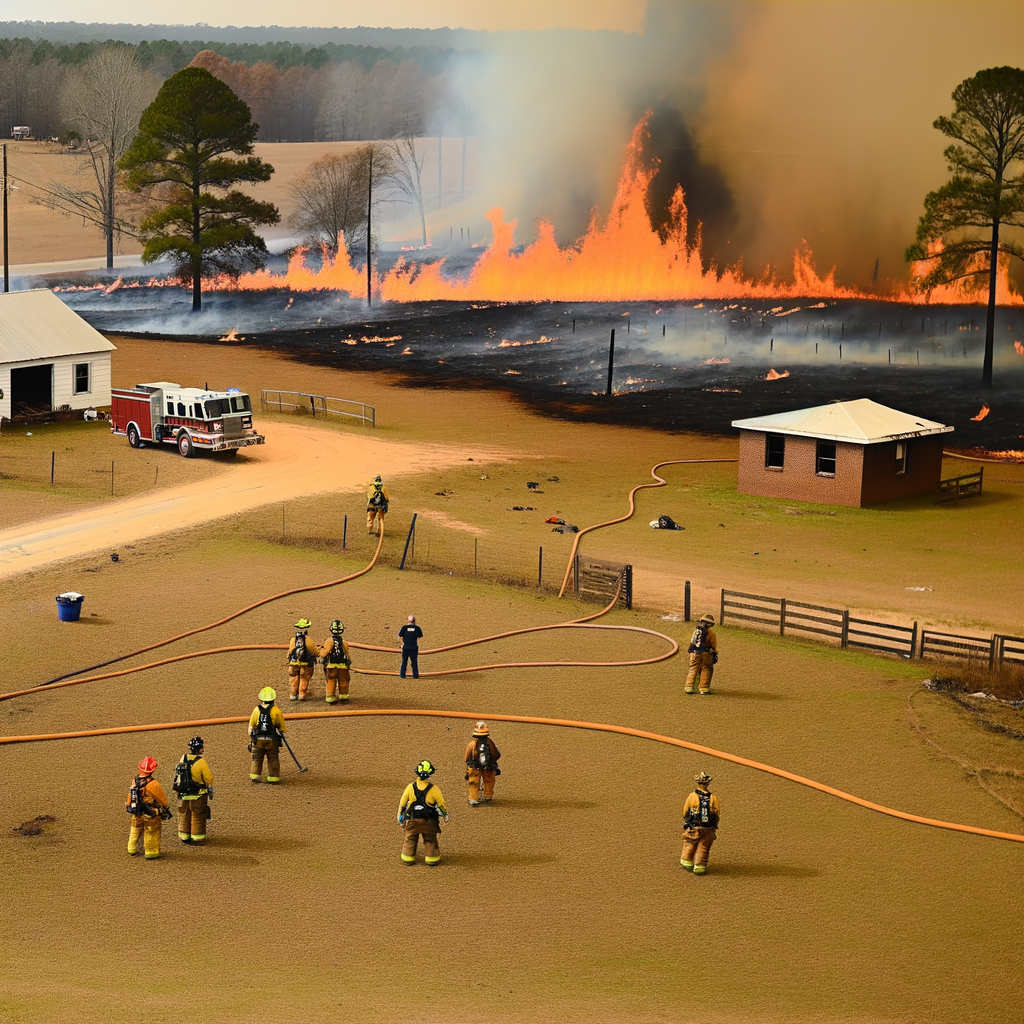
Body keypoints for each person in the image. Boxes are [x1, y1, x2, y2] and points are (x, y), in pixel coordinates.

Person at [397, 760, 449, 866]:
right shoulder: (434, 789)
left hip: (412, 821)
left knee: (410, 838)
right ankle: (432, 858)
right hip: (429, 822)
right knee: (430, 839)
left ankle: (408, 857)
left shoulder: (410, 787)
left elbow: (402, 804)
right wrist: (445, 815)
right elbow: (441, 805)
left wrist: (400, 818)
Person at [126, 756, 171, 860]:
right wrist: (165, 807)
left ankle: (131, 848)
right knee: (151, 831)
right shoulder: (153, 784)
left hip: (136, 811)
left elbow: (129, 799)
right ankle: (151, 852)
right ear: (153, 770)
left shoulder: (135, 781)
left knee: (135, 829)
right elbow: (161, 798)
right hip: (150, 813)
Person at [173, 736, 213, 844]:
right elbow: (208, 778)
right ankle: (197, 837)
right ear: (199, 749)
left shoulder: (183, 757)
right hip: (198, 794)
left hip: (183, 793)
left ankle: (184, 835)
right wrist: (209, 787)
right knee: (198, 814)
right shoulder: (201, 762)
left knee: (184, 814)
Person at [680, 771, 721, 875]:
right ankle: (699, 866)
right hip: (707, 828)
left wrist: (687, 821)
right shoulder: (713, 798)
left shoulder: (692, 797)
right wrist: (713, 825)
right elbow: (716, 814)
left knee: (690, 843)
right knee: (703, 847)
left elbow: (685, 812)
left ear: (698, 783)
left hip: (693, 826)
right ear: (707, 784)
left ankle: (686, 861)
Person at [249, 686, 286, 783]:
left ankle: (255, 775)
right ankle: (274, 777)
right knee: (273, 758)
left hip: (258, 740)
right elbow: (282, 727)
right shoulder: (276, 710)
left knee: (257, 757)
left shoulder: (256, 710)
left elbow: (251, 726)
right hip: (272, 740)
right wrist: (281, 732)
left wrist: (251, 736)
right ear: (273, 699)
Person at [464, 721, 501, 806]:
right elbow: (497, 754)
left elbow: (467, 757)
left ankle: (477, 797)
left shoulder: (471, 744)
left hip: (480, 767)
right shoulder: (490, 743)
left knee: (476, 782)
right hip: (482, 766)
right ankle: (484, 795)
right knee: (485, 781)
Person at [287, 617, 321, 701]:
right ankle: (301, 695)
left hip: (293, 664)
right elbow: (316, 653)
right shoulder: (309, 641)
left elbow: (290, 651)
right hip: (305, 665)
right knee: (304, 679)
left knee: (293, 679)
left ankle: (293, 695)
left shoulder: (292, 640)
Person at [685, 613, 718, 695]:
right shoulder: (711, 634)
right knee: (706, 669)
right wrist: (714, 651)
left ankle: (689, 687)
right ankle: (703, 688)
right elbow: (713, 645)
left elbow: (692, 642)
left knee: (693, 669)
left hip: (694, 653)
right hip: (706, 654)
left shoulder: (695, 631)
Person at [321, 619, 352, 703]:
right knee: (344, 681)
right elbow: (347, 654)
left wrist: (320, 652)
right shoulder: (344, 642)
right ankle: (343, 695)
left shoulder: (329, 641)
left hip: (332, 666)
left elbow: (324, 653)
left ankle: (330, 696)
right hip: (343, 666)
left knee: (331, 681)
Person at [398, 615, 423, 679]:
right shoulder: (417, 628)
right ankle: (415, 675)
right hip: (414, 647)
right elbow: (420, 636)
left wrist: (403, 644)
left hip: (406, 647)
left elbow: (400, 637)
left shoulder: (404, 628)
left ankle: (402, 675)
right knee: (414, 662)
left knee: (404, 662)